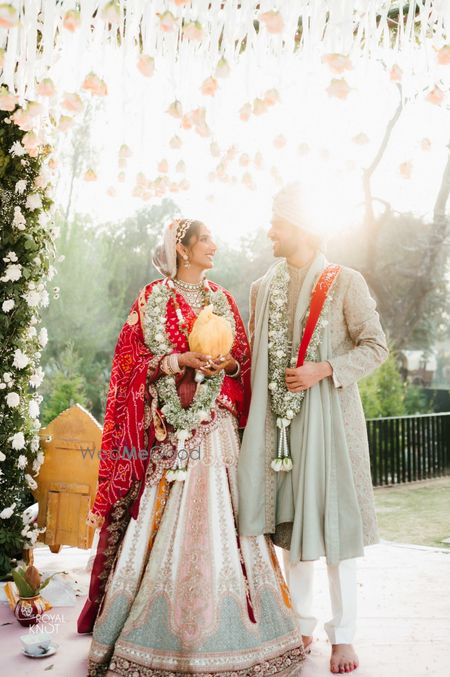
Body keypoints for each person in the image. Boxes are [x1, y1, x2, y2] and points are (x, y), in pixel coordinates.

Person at [79, 218, 305, 676]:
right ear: (182, 249)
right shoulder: (152, 298)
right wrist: (176, 359)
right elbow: (128, 363)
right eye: (206, 240)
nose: (214, 246)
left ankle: (243, 632)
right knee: (166, 518)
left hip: (217, 427)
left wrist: (228, 365)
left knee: (227, 516)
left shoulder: (222, 298)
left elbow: (243, 361)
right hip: (171, 430)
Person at [238, 183, 389, 675]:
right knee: (291, 527)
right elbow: (250, 357)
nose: (270, 232)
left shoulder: (345, 282)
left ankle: (343, 635)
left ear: (300, 228)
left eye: (277, 223)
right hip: (280, 432)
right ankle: (300, 622)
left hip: (332, 429)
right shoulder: (262, 289)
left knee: (336, 529)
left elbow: (375, 346)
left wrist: (323, 369)